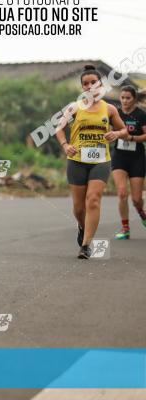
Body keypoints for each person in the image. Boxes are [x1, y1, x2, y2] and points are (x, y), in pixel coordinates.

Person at [55, 65, 131, 259]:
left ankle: (86, 245)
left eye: (93, 82)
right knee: (79, 207)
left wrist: (116, 133)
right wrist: (65, 145)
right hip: (77, 160)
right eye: (85, 84)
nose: (90, 86)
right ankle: (82, 226)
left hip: (101, 160)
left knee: (94, 200)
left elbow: (124, 131)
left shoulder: (110, 108)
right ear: (82, 88)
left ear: (100, 84)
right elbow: (58, 128)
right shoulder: (74, 107)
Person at [111, 85, 146, 239]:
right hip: (119, 157)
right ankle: (125, 229)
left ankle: (142, 213)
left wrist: (132, 138)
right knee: (122, 193)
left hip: (137, 157)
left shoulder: (141, 114)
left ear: (134, 99)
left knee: (137, 199)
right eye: (122, 98)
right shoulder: (116, 113)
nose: (124, 101)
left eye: (128, 98)